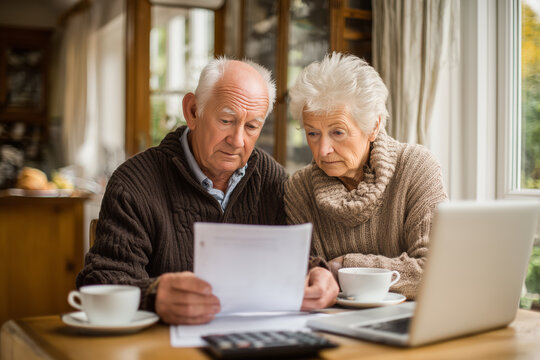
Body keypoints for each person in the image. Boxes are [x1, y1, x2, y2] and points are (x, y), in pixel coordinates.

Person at [77, 57, 338, 325]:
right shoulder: (134, 183)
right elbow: (101, 280)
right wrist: (152, 295)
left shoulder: (271, 178)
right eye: (226, 120)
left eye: (251, 127)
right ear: (192, 111)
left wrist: (316, 272)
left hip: (254, 341)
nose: (237, 141)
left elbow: (291, 256)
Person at [285, 53, 448, 299]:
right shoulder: (300, 188)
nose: (323, 150)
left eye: (337, 132)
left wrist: (344, 265)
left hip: (410, 321)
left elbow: (436, 271)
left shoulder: (416, 167)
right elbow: (294, 274)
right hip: (329, 322)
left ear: (373, 126)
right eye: (313, 133)